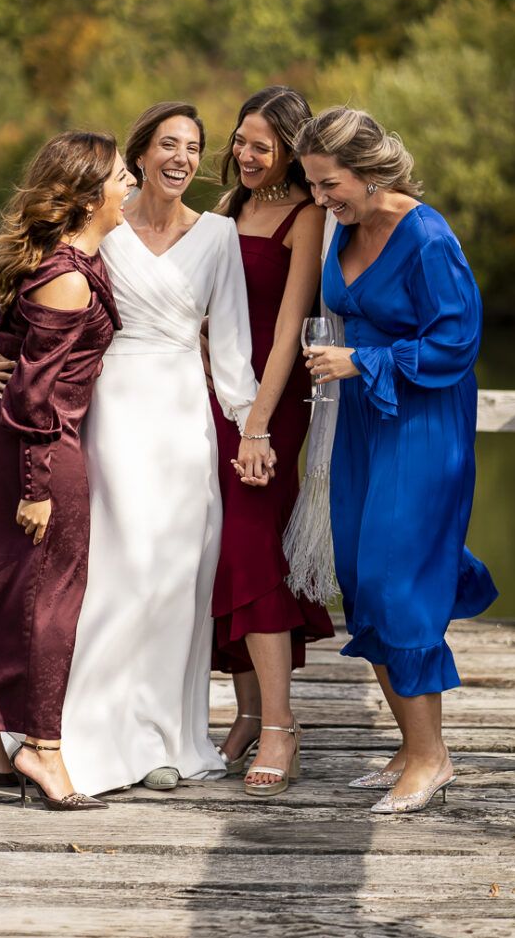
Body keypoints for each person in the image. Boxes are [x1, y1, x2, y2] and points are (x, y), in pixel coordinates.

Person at [0, 102, 272, 796]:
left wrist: (250, 428)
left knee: (177, 574)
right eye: (168, 143)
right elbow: (30, 292)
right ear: (138, 156)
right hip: (106, 414)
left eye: (194, 146)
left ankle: (163, 735)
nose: (182, 157)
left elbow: (232, 347)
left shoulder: (219, 235)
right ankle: (81, 731)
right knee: (113, 571)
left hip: (182, 419)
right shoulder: (104, 226)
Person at [296, 106, 498, 814]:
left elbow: (455, 344)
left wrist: (360, 359)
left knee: (396, 578)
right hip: (361, 421)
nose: (321, 198)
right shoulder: (345, 227)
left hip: (422, 423)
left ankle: (434, 757)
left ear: (370, 172)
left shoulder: (428, 237)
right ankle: (412, 746)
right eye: (313, 185)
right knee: (360, 576)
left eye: (329, 184)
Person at [0, 131, 133, 811]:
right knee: (52, 593)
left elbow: (14, 345)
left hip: (25, 438)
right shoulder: (70, 277)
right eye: (121, 176)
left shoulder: (69, 261)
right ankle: (43, 749)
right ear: (87, 196)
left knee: (6, 583)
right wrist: (37, 488)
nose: (131, 184)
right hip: (42, 445)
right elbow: (33, 397)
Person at [207, 87, 334, 798]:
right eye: (240, 140)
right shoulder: (229, 208)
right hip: (214, 397)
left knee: (254, 550)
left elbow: (289, 330)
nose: (246, 154)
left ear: (291, 150)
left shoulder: (307, 215)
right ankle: (249, 712)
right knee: (225, 553)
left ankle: (282, 726)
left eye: (263, 145)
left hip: (272, 404)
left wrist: (257, 424)